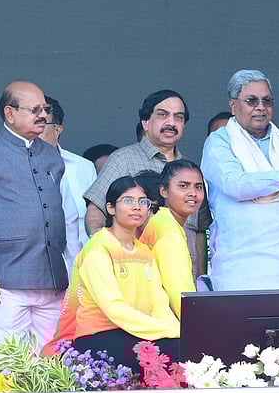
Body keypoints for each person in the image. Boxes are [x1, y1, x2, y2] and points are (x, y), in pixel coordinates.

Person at [0, 81, 77, 351]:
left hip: (53, 283)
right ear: (10, 113)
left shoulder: (51, 156)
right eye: (34, 109)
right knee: (11, 368)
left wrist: (73, 274)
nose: (43, 116)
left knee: (52, 366)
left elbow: (68, 219)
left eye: (45, 109)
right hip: (5, 284)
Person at [201, 69, 279, 290]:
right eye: (251, 101)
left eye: (266, 101)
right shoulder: (218, 142)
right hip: (242, 275)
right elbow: (236, 184)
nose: (260, 107)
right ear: (233, 105)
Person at [46, 176, 180, 369]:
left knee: (186, 347)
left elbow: (159, 302)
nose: (137, 207)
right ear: (110, 208)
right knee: (171, 352)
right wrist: (164, 331)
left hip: (138, 333)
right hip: (99, 336)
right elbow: (113, 308)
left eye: (143, 202)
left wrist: (176, 330)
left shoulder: (144, 250)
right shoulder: (98, 248)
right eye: (128, 201)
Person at [83, 89, 211, 279]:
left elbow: (200, 230)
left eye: (179, 117)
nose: (171, 123)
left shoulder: (190, 171)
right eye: (162, 115)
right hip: (139, 278)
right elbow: (97, 210)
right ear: (145, 122)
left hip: (183, 279)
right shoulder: (123, 159)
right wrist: (104, 251)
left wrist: (200, 279)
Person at [140, 160, 203, 311]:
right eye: (183, 186)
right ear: (164, 191)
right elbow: (180, 295)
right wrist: (199, 329)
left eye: (198, 187)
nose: (192, 193)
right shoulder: (168, 230)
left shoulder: (162, 221)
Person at [41, 96, 97, 244]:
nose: (32, 130)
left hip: (80, 260)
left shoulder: (84, 167)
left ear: (57, 130)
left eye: (40, 124)